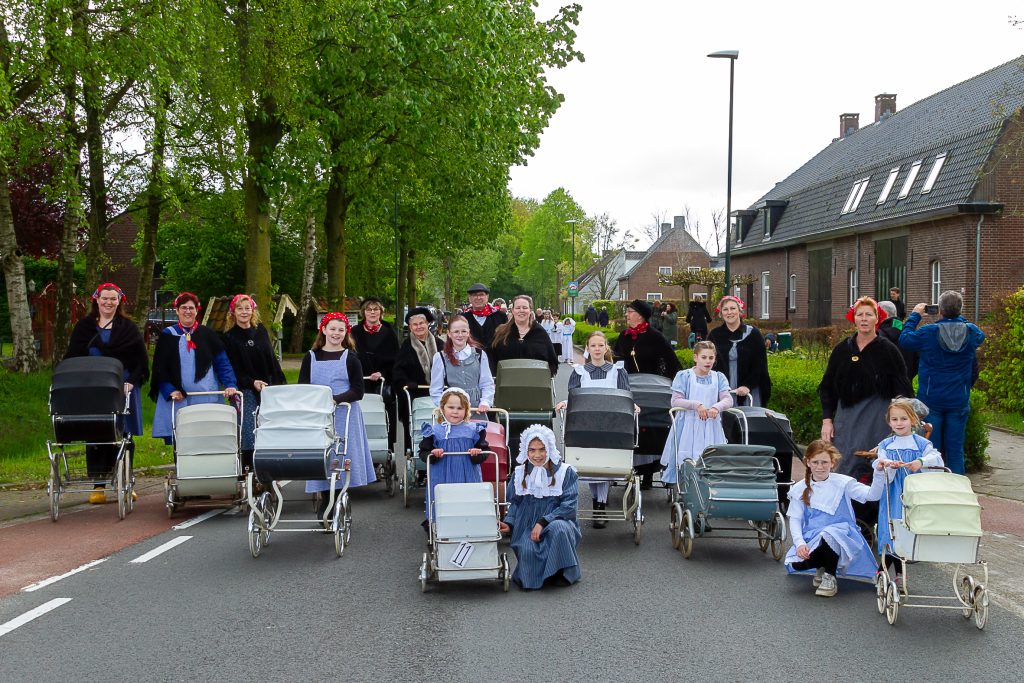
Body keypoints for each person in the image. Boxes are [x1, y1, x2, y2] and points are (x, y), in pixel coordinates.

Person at [65, 283, 149, 504]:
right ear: (97, 300)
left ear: (118, 301)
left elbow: (141, 360)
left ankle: (125, 482)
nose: (108, 303)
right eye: (105, 298)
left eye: (113, 299)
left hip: (122, 389)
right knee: (96, 434)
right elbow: (73, 357)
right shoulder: (83, 327)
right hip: (93, 389)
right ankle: (98, 485)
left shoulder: (128, 328)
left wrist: (131, 382)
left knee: (124, 436)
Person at [818, 296, 913, 480]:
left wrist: (898, 424)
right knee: (842, 467)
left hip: (877, 422)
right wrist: (827, 420)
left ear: (877, 319)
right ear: (853, 318)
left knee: (871, 472)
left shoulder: (889, 351)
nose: (864, 319)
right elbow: (827, 387)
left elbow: (904, 392)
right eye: (859, 314)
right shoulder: (842, 349)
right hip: (845, 421)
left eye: (869, 314)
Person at [555, 331, 637, 528]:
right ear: (587, 349)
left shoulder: (618, 372)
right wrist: (565, 402)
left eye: (601, 345)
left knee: (606, 464)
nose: (597, 349)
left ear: (606, 347)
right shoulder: (579, 372)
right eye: (593, 346)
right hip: (587, 423)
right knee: (592, 463)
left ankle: (600, 505)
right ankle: (597, 502)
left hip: (612, 424)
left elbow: (625, 396)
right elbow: (575, 397)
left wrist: (633, 405)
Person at [899, 291, 985, 475]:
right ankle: (958, 491)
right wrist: (955, 316)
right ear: (960, 310)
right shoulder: (972, 332)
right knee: (955, 449)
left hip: (931, 398)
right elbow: (980, 336)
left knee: (931, 448)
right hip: (959, 398)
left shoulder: (929, 333)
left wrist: (915, 315)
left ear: (939, 311)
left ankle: (933, 490)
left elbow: (904, 339)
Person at [786, 440, 884, 597]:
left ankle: (829, 576)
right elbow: (795, 519)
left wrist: (878, 473)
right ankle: (822, 563)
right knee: (799, 561)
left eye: (824, 462)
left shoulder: (843, 483)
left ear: (833, 463)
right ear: (808, 462)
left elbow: (873, 495)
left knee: (830, 533)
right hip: (813, 537)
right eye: (815, 462)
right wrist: (800, 543)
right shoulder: (800, 488)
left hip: (843, 535)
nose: (820, 467)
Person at [299, 312, 375, 515]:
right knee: (322, 457)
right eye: (332, 328)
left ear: (346, 333)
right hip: (318, 415)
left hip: (344, 414)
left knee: (342, 456)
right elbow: (303, 386)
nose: (336, 333)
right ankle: (326, 499)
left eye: (341, 330)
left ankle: (339, 498)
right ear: (323, 330)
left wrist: (335, 399)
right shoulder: (311, 357)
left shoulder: (350, 358)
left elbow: (358, 390)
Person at [499, 424, 581, 590]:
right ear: (526, 451)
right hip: (526, 524)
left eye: (542, 449)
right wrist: (509, 522)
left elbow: (569, 506)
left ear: (549, 448)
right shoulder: (520, 472)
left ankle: (561, 572)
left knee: (559, 529)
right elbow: (516, 503)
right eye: (532, 450)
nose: (537, 455)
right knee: (529, 551)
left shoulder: (566, 472)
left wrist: (544, 521)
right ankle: (540, 575)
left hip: (557, 519)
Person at [150, 292, 238, 445]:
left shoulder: (207, 334)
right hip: (179, 397)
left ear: (197, 310)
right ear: (177, 310)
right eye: (183, 308)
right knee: (182, 441)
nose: (187, 311)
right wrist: (169, 389)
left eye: (191, 308)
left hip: (205, 396)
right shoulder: (168, 335)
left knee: (208, 439)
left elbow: (222, 362)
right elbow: (159, 368)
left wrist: (230, 384)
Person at [872, 398, 944, 580]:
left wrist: (920, 462)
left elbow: (935, 457)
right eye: (894, 419)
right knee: (892, 529)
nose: (899, 423)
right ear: (889, 422)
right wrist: (888, 464)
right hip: (894, 493)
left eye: (903, 419)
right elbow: (880, 461)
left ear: (913, 420)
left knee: (907, 529)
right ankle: (891, 573)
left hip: (914, 493)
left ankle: (888, 572)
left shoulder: (921, 444)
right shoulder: (886, 445)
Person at [222, 294, 286, 471]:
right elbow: (233, 367)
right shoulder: (229, 337)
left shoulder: (261, 331)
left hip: (268, 387)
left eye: (247, 308)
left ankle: (271, 468)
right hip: (245, 388)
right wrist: (251, 382)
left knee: (270, 426)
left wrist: (277, 380)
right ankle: (248, 469)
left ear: (253, 310)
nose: (244, 312)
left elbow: (271, 359)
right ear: (233, 312)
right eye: (240, 309)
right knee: (248, 429)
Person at [659, 341, 733, 485]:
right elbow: (675, 401)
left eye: (711, 358)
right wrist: (696, 405)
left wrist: (716, 407)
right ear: (695, 357)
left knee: (711, 461)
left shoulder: (718, 377)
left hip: (711, 426)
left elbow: (728, 399)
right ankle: (684, 487)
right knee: (686, 459)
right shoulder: (684, 376)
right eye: (704, 357)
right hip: (687, 424)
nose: (707, 361)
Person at [418, 387, 489, 529]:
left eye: (460, 408)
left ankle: (470, 526)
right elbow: (423, 453)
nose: (455, 411)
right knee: (443, 501)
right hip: (442, 475)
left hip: (467, 475)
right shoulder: (434, 431)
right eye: (451, 407)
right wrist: (433, 453)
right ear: (442, 408)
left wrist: (477, 453)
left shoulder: (474, 430)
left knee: (468, 500)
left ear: (466, 410)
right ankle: (437, 527)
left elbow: (486, 451)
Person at [351, 297, 400, 448]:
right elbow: (351, 355)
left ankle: (387, 448)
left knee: (385, 415)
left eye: (376, 309)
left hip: (384, 382)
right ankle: (361, 448)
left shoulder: (389, 331)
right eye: (369, 309)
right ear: (363, 312)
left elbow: (396, 358)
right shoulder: (355, 332)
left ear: (381, 312)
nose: (372, 312)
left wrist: (382, 372)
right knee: (362, 414)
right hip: (361, 379)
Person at [393, 307, 444, 453]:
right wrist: (406, 383)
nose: (419, 327)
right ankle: (413, 454)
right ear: (410, 327)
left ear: (427, 323)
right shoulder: (406, 346)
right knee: (415, 426)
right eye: (415, 325)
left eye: (422, 323)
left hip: (439, 394)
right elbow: (398, 371)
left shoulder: (440, 344)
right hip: (415, 394)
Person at [707, 295, 771, 408]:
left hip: (748, 389)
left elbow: (760, 364)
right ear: (721, 313)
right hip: (721, 389)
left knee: (745, 422)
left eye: (733, 308)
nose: (729, 312)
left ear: (739, 311)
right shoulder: (714, 335)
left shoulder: (753, 334)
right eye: (725, 309)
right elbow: (708, 362)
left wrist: (748, 385)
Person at [429, 313, 494, 415]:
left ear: (468, 333)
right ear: (449, 334)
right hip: (452, 414)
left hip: (476, 410)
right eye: (456, 332)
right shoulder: (440, 357)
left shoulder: (480, 354)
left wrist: (485, 402)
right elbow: (435, 390)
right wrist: (445, 408)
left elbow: (486, 383)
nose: (460, 335)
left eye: (464, 331)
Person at [488, 294, 559, 376]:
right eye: (518, 308)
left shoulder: (540, 333)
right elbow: (492, 358)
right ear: (513, 310)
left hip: (534, 384)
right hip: (506, 383)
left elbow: (551, 361)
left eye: (525, 308)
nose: (521, 310)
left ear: (530, 310)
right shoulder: (501, 332)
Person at [612, 299, 682, 378]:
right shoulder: (624, 335)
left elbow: (671, 362)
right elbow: (616, 358)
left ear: (640, 316)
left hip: (650, 386)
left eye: (629, 312)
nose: (626, 314)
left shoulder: (655, 336)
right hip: (627, 384)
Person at [877, 300, 917, 381]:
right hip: (906, 388)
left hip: (881, 389)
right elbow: (917, 363)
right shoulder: (909, 334)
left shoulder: (876, 336)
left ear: (884, 314)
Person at [463, 283, 507, 348]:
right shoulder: (462, 318)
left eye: (481, 294)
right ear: (469, 298)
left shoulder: (500, 316)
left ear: (487, 296)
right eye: (474, 295)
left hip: (496, 357)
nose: (478, 298)